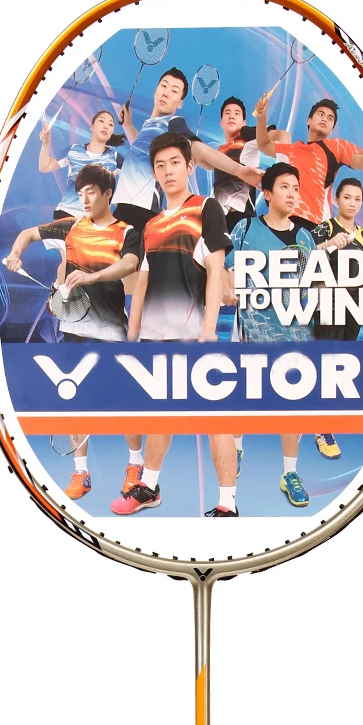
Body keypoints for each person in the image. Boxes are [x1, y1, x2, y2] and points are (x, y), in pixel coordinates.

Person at [110, 132, 238, 517]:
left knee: (217, 420)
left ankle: (228, 504)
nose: (168, 171)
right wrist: (131, 338)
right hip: (153, 338)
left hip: (195, 335)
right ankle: (149, 487)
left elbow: (216, 270)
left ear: (190, 166)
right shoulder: (150, 226)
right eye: (160, 166)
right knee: (158, 415)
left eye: (175, 163)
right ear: (154, 172)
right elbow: (142, 284)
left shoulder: (207, 208)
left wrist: (208, 330)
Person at [4, 163, 145, 499]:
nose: (84, 199)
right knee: (75, 399)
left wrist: (93, 277)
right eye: (80, 193)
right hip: (74, 327)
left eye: (90, 193)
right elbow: (27, 234)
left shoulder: (126, 232)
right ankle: (81, 473)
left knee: (125, 401)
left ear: (107, 194)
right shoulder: (71, 226)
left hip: (111, 328)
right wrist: (15, 253)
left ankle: (135, 466)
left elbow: (130, 263)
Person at [223, 162, 315, 506]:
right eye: (284, 187)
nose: (292, 194)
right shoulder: (245, 228)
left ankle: (290, 473)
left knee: (292, 405)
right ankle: (237, 447)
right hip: (250, 329)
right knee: (242, 399)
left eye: (296, 188)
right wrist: (229, 288)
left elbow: (310, 285)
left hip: (294, 333)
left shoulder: (305, 238)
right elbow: (227, 271)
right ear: (267, 193)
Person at [113, 68, 263, 234]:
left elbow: (201, 150)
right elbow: (142, 153)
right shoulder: (150, 126)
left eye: (174, 91)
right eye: (164, 86)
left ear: (179, 103)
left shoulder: (173, 123)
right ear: (155, 91)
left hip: (140, 209)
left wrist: (239, 170)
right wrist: (128, 125)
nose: (166, 93)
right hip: (123, 206)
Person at [254, 95, 363, 227]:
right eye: (321, 114)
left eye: (330, 118)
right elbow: (264, 145)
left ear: (332, 130)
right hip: (286, 222)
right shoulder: (291, 149)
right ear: (309, 120)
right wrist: (261, 117)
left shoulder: (337, 147)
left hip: (315, 225)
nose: (325, 119)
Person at [311, 177, 363, 341]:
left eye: (357, 199)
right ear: (336, 199)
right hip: (329, 302)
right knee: (326, 348)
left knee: (349, 348)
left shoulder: (362, 233)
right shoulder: (326, 228)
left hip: (356, 304)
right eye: (347, 197)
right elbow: (304, 255)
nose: (352, 204)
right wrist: (329, 243)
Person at [39, 109, 130, 219]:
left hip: (94, 220)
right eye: (102, 121)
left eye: (110, 124)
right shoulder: (74, 150)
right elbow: (45, 167)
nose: (106, 126)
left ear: (111, 133)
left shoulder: (115, 158)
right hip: (66, 214)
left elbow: (134, 182)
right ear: (91, 126)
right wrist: (45, 144)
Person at [213, 96, 284, 233]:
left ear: (244, 122)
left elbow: (281, 135)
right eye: (227, 113)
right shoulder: (219, 150)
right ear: (221, 122)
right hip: (220, 219)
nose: (231, 116)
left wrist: (281, 170)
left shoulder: (246, 137)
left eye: (237, 113)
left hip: (241, 218)